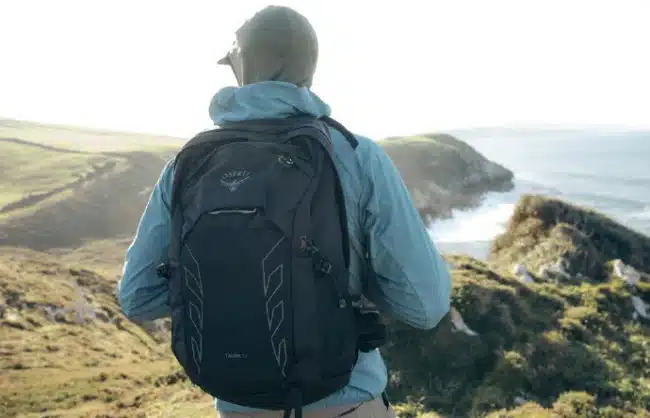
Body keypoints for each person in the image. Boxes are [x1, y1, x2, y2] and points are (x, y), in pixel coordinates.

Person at [116, 5, 452, 418]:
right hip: (346, 404)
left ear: (242, 70)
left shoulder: (188, 165)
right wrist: (348, 284)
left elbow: (137, 297)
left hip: (238, 408)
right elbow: (426, 305)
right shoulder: (355, 155)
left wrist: (224, 282)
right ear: (309, 71)